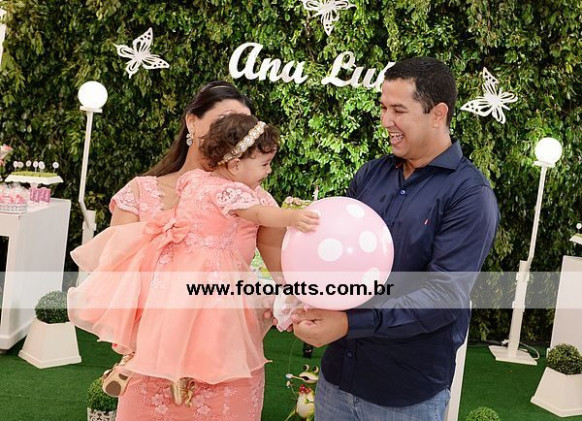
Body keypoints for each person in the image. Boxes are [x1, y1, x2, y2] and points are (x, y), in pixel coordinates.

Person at [69, 112, 319, 419]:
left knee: (170, 325)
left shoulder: (194, 179)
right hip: (209, 268)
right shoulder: (232, 191)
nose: (268, 171)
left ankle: (143, 366)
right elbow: (257, 214)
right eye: (265, 164)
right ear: (235, 165)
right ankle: (179, 372)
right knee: (209, 327)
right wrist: (292, 217)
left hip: (175, 264)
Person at [291, 57, 500, 420]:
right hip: (337, 379)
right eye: (383, 107)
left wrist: (348, 323)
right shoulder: (371, 175)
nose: (386, 120)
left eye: (398, 110)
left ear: (438, 114)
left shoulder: (469, 194)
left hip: (406, 394)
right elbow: (340, 262)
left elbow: (443, 296)